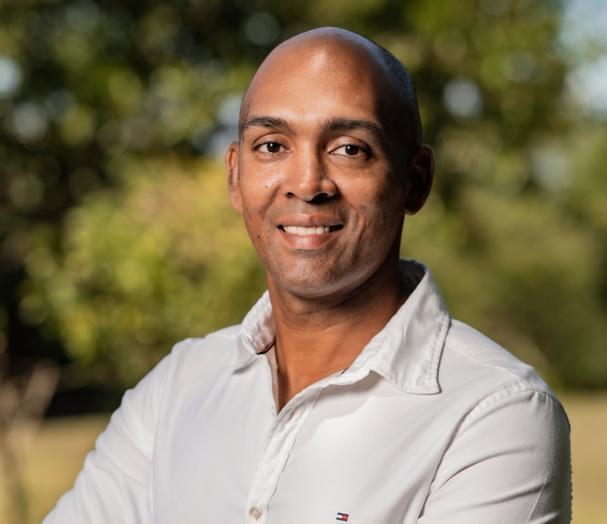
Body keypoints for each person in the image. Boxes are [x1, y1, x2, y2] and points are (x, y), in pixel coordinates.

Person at [44, 27, 571, 523]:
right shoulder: (176, 387)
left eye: (349, 149)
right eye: (273, 146)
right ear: (235, 175)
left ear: (415, 181)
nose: (307, 183)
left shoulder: (497, 414)